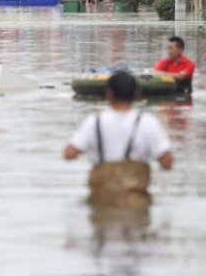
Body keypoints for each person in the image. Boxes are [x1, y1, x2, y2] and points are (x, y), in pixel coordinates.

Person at [64, 72, 174, 207]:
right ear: (137, 95)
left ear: (108, 93)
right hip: (135, 207)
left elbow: (69, 154)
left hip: (102, 204)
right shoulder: (147, 123)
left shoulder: (94, 121)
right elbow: (167, 163)